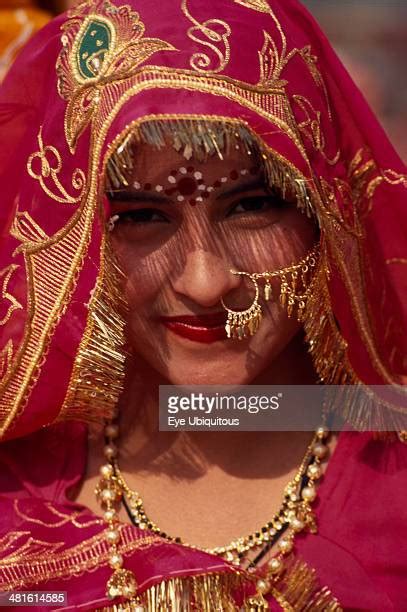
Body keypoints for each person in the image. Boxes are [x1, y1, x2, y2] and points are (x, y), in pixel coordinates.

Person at [0, 0, 406, 610]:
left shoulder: (391, 476)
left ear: (327, 207)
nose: (205, 282)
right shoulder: (18, 484)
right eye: (140, 216)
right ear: (72, 234)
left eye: (249, 207)